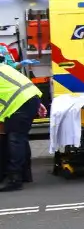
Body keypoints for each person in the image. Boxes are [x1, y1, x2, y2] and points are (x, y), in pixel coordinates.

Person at [0, 61, 42, 191]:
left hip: (20, 103)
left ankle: (14, 179)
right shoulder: (3, 67)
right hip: (29, 99)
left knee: (15, 139)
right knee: (19, 138)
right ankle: (25, 174)